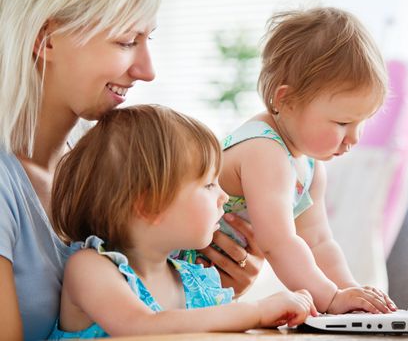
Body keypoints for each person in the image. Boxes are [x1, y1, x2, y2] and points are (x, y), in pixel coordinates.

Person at [0, 0, 263, 339]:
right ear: (46, 40)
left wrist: (209, 294)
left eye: (148, 39)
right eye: (126, 41)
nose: (148, 71)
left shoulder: (112, 169)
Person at [46, 105, 316, 338]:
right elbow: (139, 326)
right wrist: (256, 311)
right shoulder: (91, 268)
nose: (223, 196)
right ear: (150, 205)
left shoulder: (193, 278)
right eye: (209, 185)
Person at [214, 7, 398, 314]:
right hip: (167, 272)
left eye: (361, 122)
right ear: (284, 99)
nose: (354, 138)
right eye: (342, 123)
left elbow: (319, 241)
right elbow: (280, 243)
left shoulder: (311, 167)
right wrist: (330, 298)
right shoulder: (263, 150)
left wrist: (350, 292)